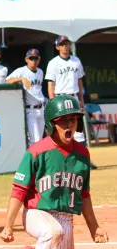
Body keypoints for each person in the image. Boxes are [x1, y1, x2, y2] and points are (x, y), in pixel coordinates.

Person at [0, 95, 108, 249]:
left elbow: (84, 195)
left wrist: (94, 227)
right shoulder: (36, 152)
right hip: (37, 213)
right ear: (51, 125)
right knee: (52, 231)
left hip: (66, 218)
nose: (70, 125)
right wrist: (9, 226)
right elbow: (18, 191)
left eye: (73, 120)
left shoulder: (83, 155)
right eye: (63, 121)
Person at [45, 35, 97, 169]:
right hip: (60, 98)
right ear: (57, 47)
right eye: (62, 44)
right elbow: (51, 84)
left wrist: (81, 99)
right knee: (61, 130)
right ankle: (59, 162)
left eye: (67, 44)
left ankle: (83, 160)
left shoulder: (76, 61)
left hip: (74, 96)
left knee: (78, 130)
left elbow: (80, 82)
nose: (65, 47)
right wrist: (52, 102)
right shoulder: (53, 63)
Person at [6, 49, 45, 146]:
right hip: (30, 110)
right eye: (31, 58)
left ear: (39, 59)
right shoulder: (22, 71)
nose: (33, 61)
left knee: (40, 139)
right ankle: (33, 160)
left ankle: (36, 160)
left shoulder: (40, 72)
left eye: (35, 58)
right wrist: (21, 79)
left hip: (41, 108)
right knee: (35, 140)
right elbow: (7, 81)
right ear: (26, 60)